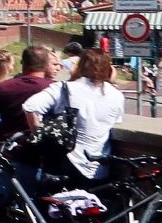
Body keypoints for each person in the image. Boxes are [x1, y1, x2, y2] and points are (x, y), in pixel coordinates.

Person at [24, 47, 126, 180]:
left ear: (81, 65)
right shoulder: (117, 95)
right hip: (99, 165)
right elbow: (115, 122)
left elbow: (30, 106)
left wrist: (39, 134)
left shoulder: (65, 88)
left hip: (67, 161)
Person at [0, 45, 53, 142]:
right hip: (42, 147)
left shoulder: (5, 86)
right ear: (46, 65)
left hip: (10, 147)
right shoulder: (54, 88)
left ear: (23, 63)